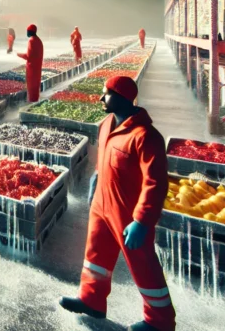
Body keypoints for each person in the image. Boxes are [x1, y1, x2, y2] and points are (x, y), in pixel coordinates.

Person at [59, 76, 174, 331]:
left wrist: (142, 221)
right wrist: (96, 180)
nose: (101, 98)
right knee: (95, 255)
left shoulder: (146, 137)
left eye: (107, 94)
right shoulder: (106, 124)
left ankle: (160, 322)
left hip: (127, 213)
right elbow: (103, 157)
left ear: (122, 97)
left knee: (142, 264)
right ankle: (92, 300)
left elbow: (155, 183)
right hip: (102, 205)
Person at [17, 24, 43, 102]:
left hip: (32, 69)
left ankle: (32, 102)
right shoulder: (39, 40)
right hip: (37, 67)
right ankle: (35, 101)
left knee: (31, 87)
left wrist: (19, 54)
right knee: (35, 87)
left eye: (27, 31)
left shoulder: (31, 40)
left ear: (30, 31)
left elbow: (29, 56)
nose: (27, 33)